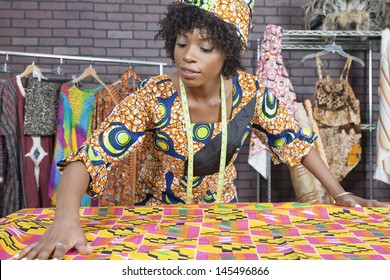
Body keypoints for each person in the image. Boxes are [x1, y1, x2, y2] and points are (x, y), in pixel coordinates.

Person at [14, 0, 389, 260]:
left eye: (205, 47)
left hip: (221, 218)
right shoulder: (153, 97)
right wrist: (65, 219)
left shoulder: (251, 93)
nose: (188, 55)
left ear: (229, 50)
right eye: (181, 43)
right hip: (156, 219)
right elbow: (89, 158)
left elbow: (295, 141)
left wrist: (339, 194)